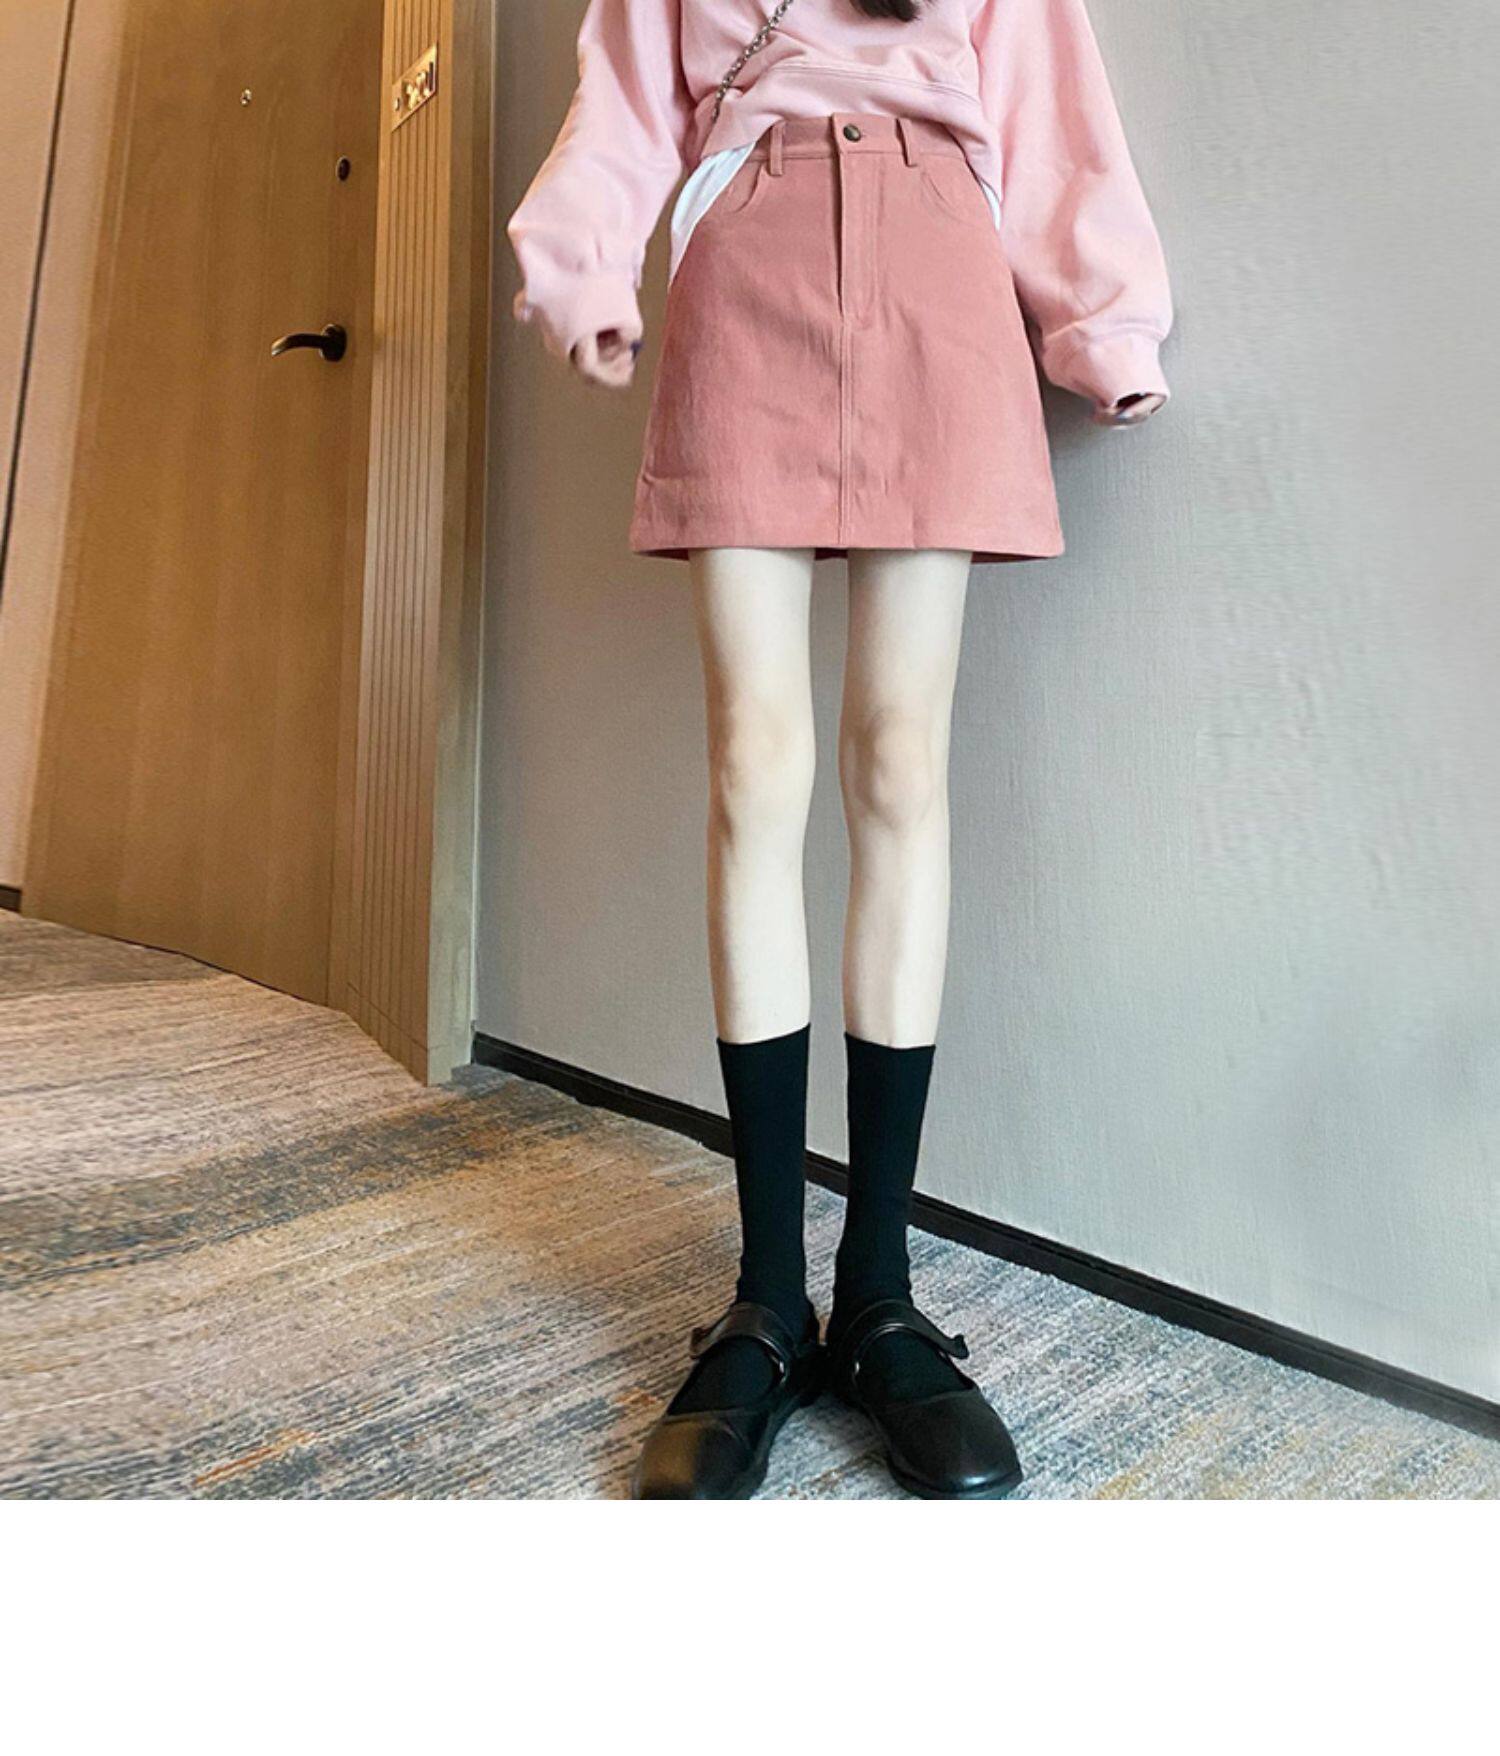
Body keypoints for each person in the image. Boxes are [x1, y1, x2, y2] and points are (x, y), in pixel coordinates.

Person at [508, 0, 1173, 1499]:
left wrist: (1106, 326)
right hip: (747, 262)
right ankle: (763, 1299)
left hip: (943, 264)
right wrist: (585, 268)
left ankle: (877, 1293)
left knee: (899, 768)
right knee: (755, 768)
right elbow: (624, 102)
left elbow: (1055, 114)